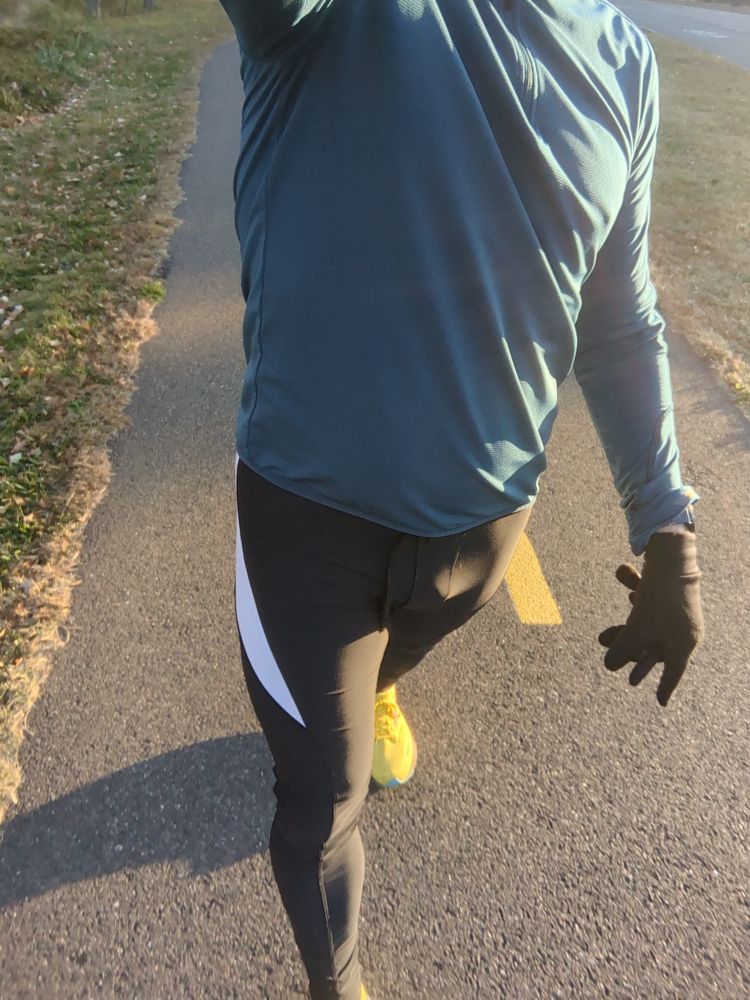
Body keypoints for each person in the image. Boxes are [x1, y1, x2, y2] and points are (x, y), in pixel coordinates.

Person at [217, 1, 705, 997]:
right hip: (306, 524)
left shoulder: (622, 57)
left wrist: (666, 527)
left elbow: (617, 317)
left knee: (390, 656)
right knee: (322, 800)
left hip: (483, 535)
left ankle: (378, 673)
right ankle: (337, 981)